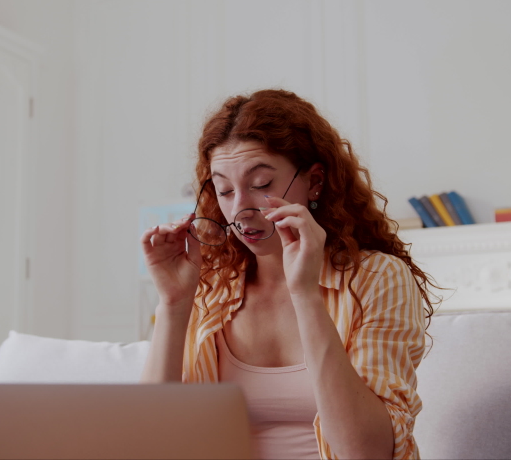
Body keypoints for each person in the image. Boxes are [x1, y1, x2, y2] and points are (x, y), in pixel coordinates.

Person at [140, 89, 437, 460]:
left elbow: (367, 453)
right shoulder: (210, 283)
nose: (240, 209)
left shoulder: (378, 278)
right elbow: (151, 440)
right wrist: (173, 303)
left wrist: (305, 296)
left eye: (261, 184)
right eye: (225, 190)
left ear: (314, 181)